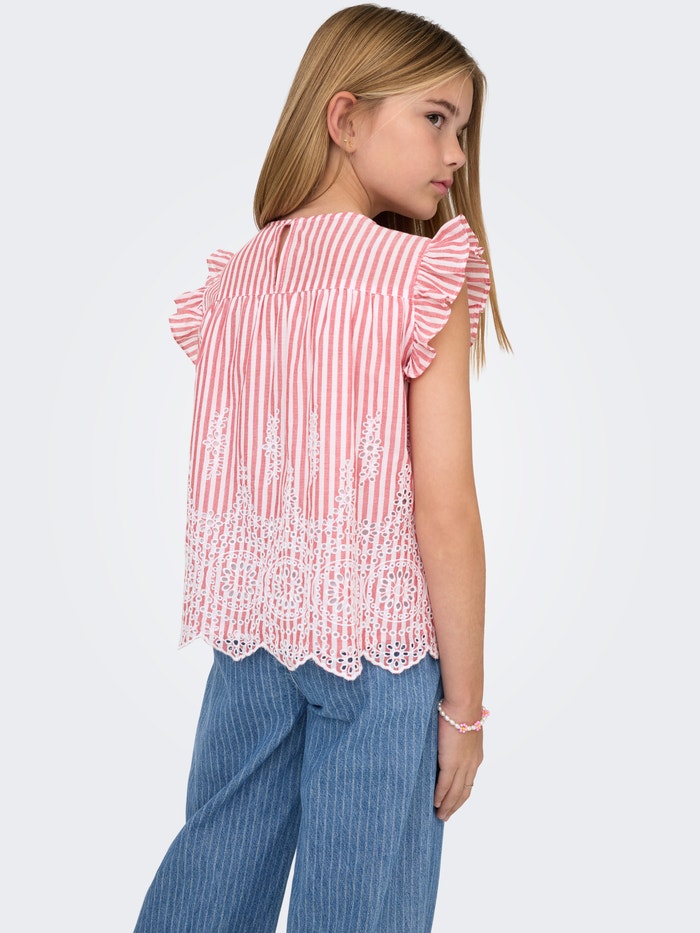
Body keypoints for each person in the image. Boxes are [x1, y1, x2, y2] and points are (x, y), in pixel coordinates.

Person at [134, 4, 509, 931]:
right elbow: (445, 510)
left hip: (250, 642)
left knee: (213, 873)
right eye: (435, 118)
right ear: (344, 118)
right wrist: (464, 711)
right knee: (361, 906)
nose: (455, 154)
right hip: (380, 652)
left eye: (463, 129)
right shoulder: (418, 275)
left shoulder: (234, 283)